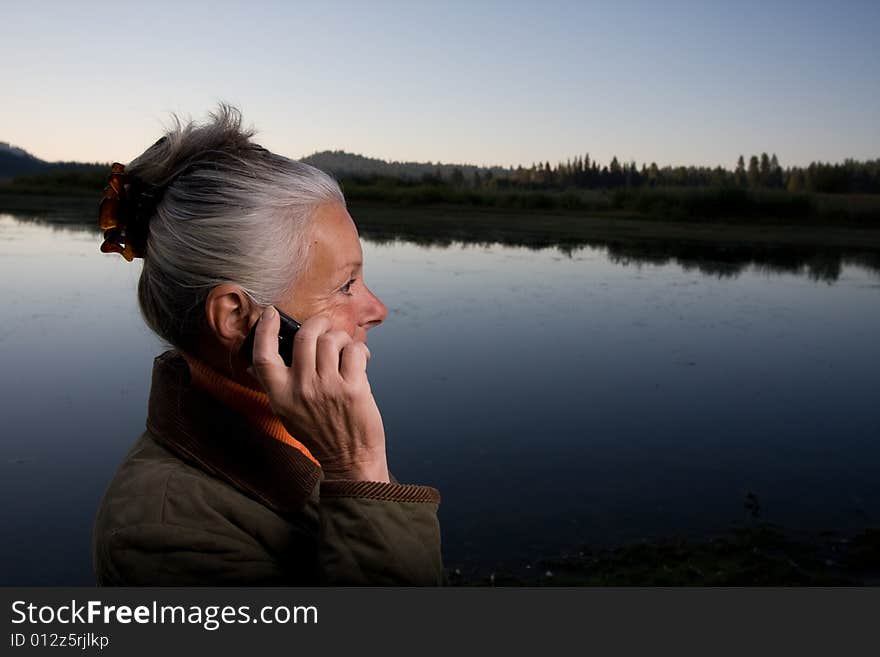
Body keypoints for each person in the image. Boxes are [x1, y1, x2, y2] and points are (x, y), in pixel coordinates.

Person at [92, 105, 443, 585]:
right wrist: (359, 468)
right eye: (346, 286)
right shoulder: (162, 534)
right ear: (236, 317)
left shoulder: (296, 421)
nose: (377, 309)